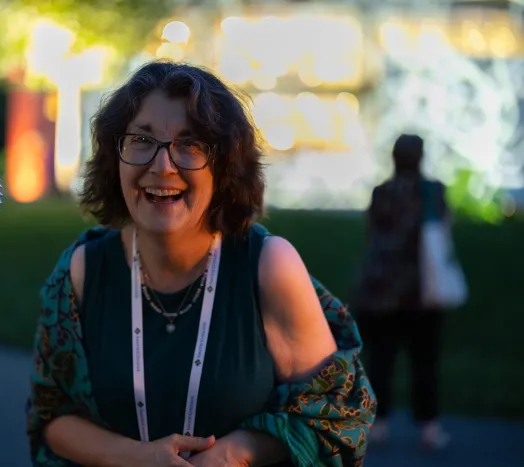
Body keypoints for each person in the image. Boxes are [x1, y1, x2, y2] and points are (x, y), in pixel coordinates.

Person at [26, 60, 375, 466]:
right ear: (114, 154)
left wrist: (239, 451)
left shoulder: (267, 266)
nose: (162, 167)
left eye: (190, 144)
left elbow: (339, 415)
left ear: (224, 166)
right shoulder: (82, 273)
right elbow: (51, 414)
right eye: (142, 139)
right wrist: (140, 458)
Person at [352, 134, 451, 450]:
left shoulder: (382, 193)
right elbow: (444, 233)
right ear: (421, 157)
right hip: (423, 291)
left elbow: (371, 235)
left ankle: (379, 425)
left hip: (381, 291)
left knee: (381, 358)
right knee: (425, 361)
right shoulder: (433, 192)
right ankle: (429, 428)